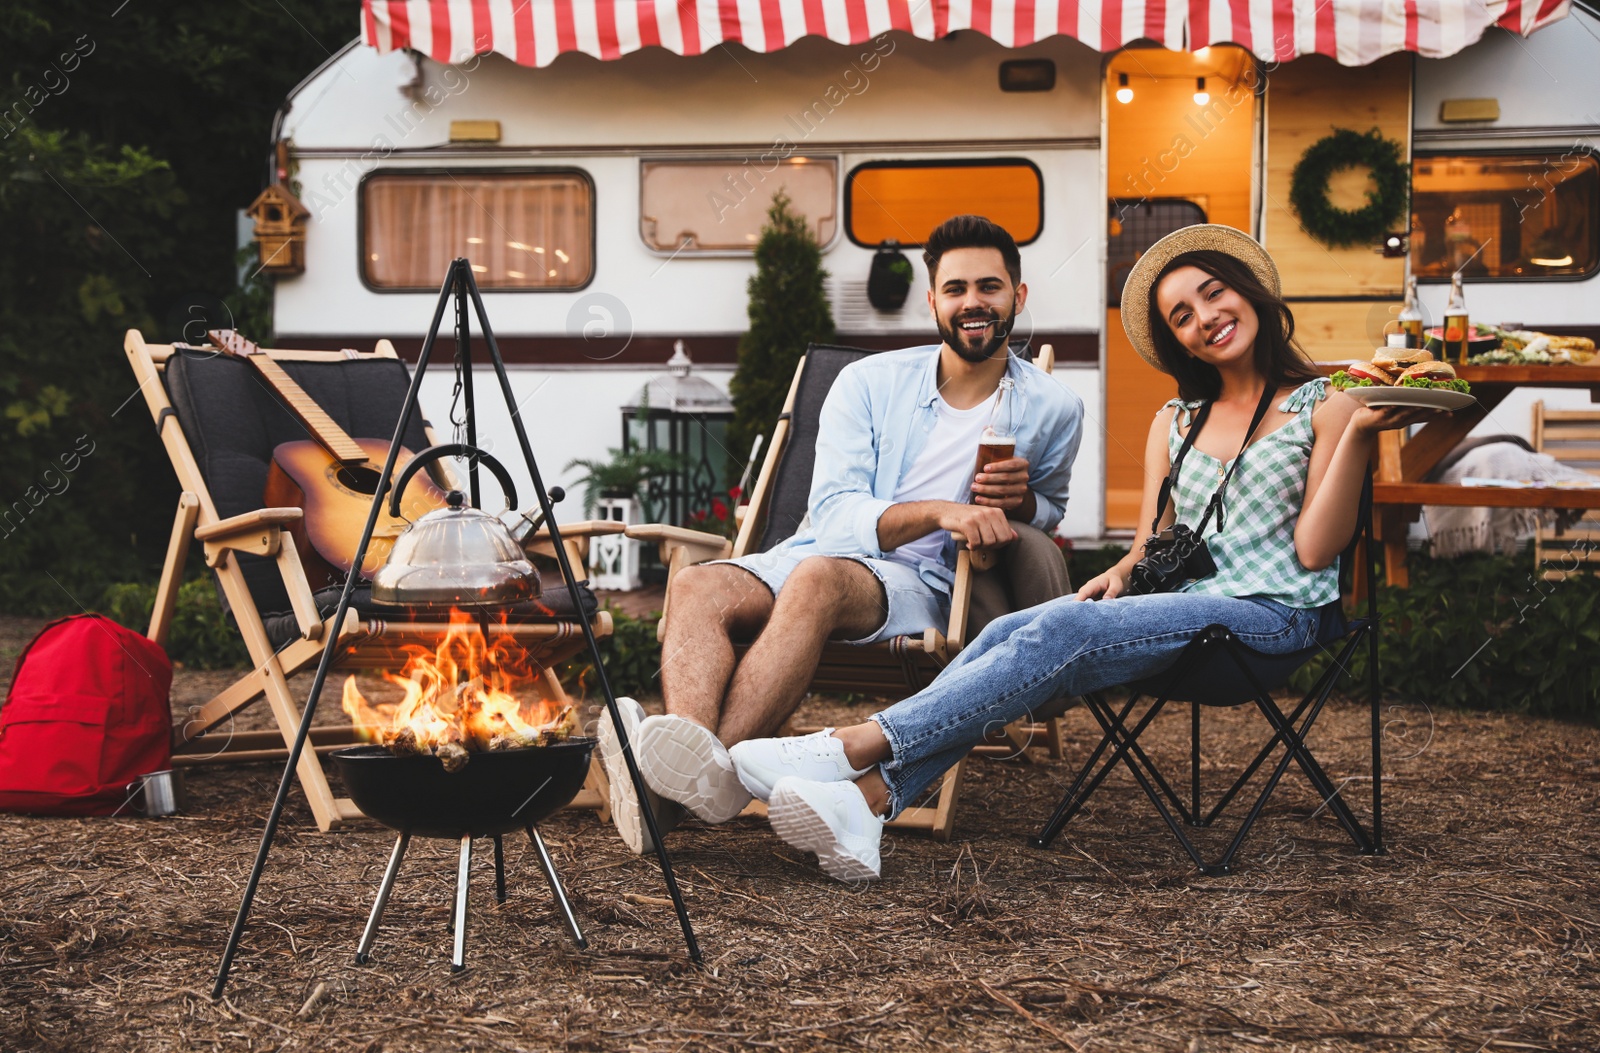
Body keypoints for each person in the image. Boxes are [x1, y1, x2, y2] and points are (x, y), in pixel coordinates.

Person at [730, 223, 1434, 881]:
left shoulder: (1329, 405)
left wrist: (1365, 436)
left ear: (1250, 291)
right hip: (1178, 611)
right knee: (1014, 628)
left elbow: (1315, 552)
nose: (1204, 317)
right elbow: (1153, 545)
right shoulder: (1175, 421)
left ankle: (847, 747)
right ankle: (868, 805)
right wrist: (1121, 573)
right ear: (1178, 342)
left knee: (1065, 627)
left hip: (1270, 619)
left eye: (1212, 293)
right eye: (1181, 316)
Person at [597, 215, 1086, 853]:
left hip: (927, 581)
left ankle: (666, 790)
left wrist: (1019, 504)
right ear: (933, 299)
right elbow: (832, 513)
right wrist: (942, 509)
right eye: (957, 288)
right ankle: (700, 772)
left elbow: (1050, 506)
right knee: (694, 585)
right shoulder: (868, 382)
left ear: (1017, 298)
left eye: (989, 287)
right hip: (819, 550)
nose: (974, 302)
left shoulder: (1054, 407)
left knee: (818, 581)